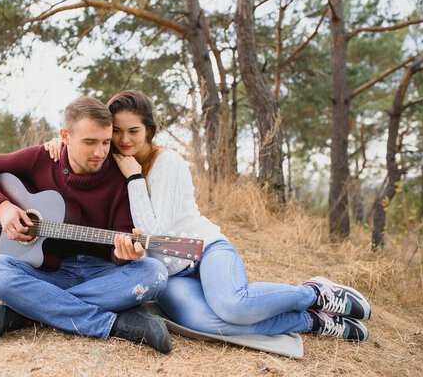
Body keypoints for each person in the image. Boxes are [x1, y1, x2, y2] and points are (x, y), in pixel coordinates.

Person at [44, 90, 371, 342]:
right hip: (170, 272)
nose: (124, 139)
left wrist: (134, 179)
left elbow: (155, 232)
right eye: (116, 132)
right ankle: (312, 321)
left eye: (134, 131)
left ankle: (315, 293)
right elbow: (75, 146)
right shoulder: (108, 161)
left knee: (233, 306)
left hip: (203, 249)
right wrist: (56, 146)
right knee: (207, 323)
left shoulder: (166, 162)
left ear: (149, 130)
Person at [0, 96, 173, 353]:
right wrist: (3, 207)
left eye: (106, 142)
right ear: (65, 136)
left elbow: (122, 239)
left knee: (154, 272)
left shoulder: (119, 177)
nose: (100, 152)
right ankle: (113, 324)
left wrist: (125, 253)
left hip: (99, 272)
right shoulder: (41, 158)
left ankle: (29, 312)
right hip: (46, 272)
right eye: (90, 142)